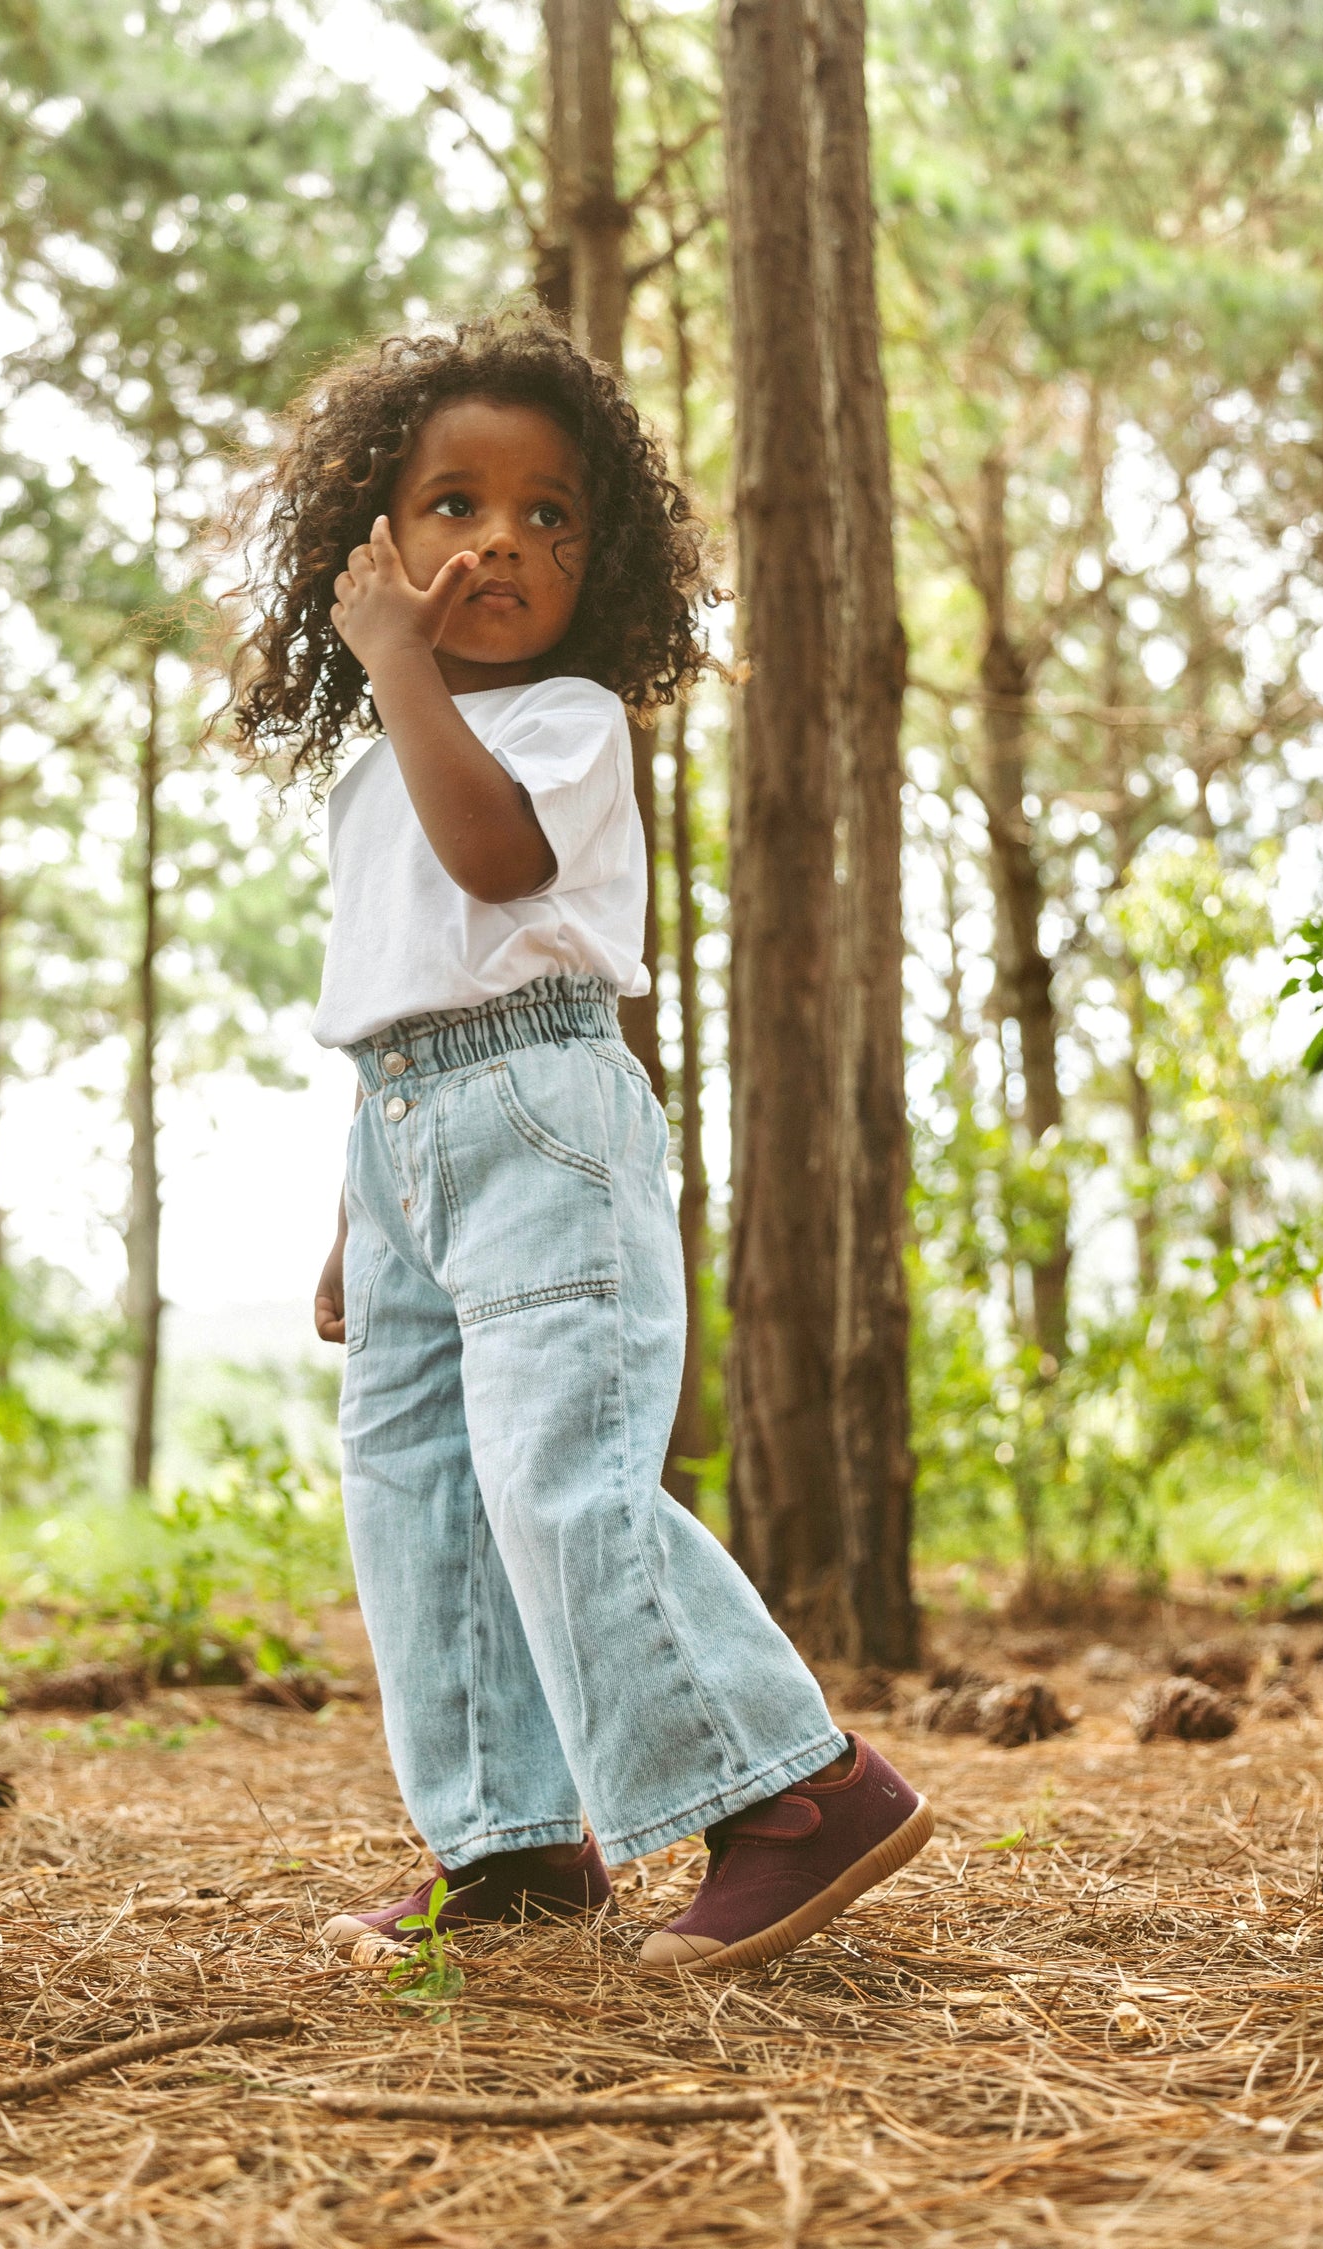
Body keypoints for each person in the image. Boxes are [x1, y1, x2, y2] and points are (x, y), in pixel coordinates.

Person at [226, 310, 932, 1973]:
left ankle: (796, 1788)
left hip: (546, 1123)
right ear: (372, 543)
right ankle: (514, 1846)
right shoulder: (366, 776)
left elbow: (490, 871)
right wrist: (358, 1212)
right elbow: (391, 989)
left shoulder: (564, 723)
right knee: (420, 1492)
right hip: (402, 1142)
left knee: (561, 1479)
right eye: (455, 504)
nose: (501, 543)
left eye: (550, 516)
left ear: (597, 566)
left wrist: (403, 662)